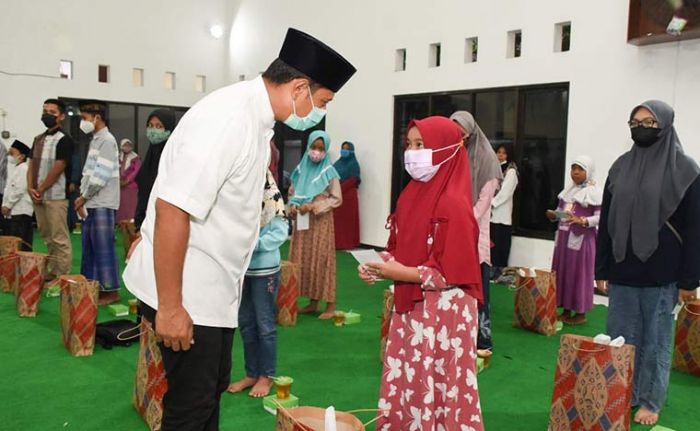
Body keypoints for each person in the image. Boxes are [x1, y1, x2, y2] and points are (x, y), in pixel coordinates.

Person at [123, 28, 355, 430]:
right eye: (322, 102)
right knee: (190, 411)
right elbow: (174, 207)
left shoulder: (257, 122)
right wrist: (172, 306)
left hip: (212, 293)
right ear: (299, 88)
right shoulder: (229, 118)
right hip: (188, 292)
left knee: (208, 393)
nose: (319, 112)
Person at [359, 116, 483, 431]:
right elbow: (403, 249)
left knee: (441, 387)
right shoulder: (411, 195)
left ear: (445, 149)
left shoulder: (454, 204)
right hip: (413, 308)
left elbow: (452, 273)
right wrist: (379, 264)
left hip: (446, 314)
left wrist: (397, 271)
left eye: (422, 145)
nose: (413, 153)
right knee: (410, 382)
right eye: (410, 145)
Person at [596, 100, 700, 426]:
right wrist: (602, 269)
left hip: (662, 274)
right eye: (635, 121)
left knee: (655, 343)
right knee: (621, 338)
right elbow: (607, 222)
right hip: (623, 269)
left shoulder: (686, 170)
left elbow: (696, 228)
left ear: (666, 126)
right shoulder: (619, 167)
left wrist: (689, 280)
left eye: (649, 122)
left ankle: (651, 401)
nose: (641, 127)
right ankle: (621, 394)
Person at [227, 171, 287, 398]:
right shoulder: (241, 202)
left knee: (265, 324)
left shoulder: (272, 199)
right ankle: (251, 373)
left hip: (265, 271)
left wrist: (251, 244)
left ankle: (266, 376)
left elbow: (280, 234)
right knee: (246, 323)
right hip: (242, 271)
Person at [450, 111, 502, 358]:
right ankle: (459, 336)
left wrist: (462, 220)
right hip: (453, 234)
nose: (459, 140)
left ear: (471, 133)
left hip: (474, 233)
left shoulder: (487, 161)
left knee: (478, 288)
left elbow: (483, 204)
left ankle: (483, 340)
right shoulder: (452, 155)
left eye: (462, 136)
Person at [289, 130, 342, 319]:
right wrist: (293, 206)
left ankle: (329, 305)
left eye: (321, 148)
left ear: (326, 150)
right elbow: (292, 193)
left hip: (320, 222)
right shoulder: (300, 170)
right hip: (303, 224)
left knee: (322, 259)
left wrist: (314, 205)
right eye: (314, 147)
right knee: (303, 259)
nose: (316, 151)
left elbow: (336, 199)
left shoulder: (329, 172)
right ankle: (312, 302)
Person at [547, 156, 602, 325]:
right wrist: (554, 215)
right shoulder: (568, 191)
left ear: (588, 171)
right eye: (573, 168)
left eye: (580, 169)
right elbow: (563, 211)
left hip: (582, 240)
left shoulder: (595, 192)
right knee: (563, 273)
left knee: (579, 275)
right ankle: (566, 309)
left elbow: (601, 217)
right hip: (564, 240)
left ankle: (580, 313)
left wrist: (584, 221)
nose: (575, 172)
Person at [75, 100, 121, 305]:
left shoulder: (107, 141)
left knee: (103, 247)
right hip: (92, 201)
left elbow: (101, 175)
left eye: (84, 118)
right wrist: (83, 196)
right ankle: (93, 286)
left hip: (102, 202)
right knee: (90, 246)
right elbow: (89, 173)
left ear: (97, 118)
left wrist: (83, 197)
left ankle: (111, 291)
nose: (82, 122)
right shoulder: (95, 140)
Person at [28, 98, 74, 283]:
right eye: (45, 111)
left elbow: (59, 166)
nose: (47, 115)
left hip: (56, 196)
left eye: (52, 112)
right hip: (38, 195)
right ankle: (53, 271)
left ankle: (62, 275)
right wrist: (30, 188)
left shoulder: (65, 139)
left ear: (61, 116)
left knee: (59, 237)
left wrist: (41, 188)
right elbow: (31, 164)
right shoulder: (38, 139)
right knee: (47, 236)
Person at [134, 109, 177, 230]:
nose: (153, 130)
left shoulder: (172, 157)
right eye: (150, 126)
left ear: (169, 129)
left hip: (164, 222)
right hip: (145, 221)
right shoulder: (150, 156)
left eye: (159, 126)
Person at [490, 144, 518, 280]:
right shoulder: (494, 168)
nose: (500, 155)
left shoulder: (511, 171)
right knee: (492, 243)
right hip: (490, 214)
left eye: (504, 153)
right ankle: (490, 269)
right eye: (498, 152)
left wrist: (491, 203)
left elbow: (505, 193)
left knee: (501, 243)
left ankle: (499, 271)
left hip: (501, 213)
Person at [2, 140, 33, 250]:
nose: (10, 156)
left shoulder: (24, 168)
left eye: (12, 153)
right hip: (15, 211)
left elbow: (20, 189)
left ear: (22, 156)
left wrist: (8, 205)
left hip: (22, 210)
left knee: (22, 243)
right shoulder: (17, 168)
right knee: (14, 244)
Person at [332, 141, 361, 250]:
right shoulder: (338, 163)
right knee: (337, 221)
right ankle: (336, 243)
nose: (344, 151)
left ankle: (346, 244)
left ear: (351, 151)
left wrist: (339, 188)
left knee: (347, 221)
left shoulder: (353, 164)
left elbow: (353, 179)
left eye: (347, 149)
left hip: (348, 196)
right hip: (337, 194)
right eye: (342, 148)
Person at [116, 138, 140, 222]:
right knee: (121, 207)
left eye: (129, 145)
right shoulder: (118, 157)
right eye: (125, 145)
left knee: (130, 207)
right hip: (119, 186)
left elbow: (136, 171)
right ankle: (120, 225)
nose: (127, 147)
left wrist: (127, 181)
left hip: (131, 186)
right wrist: (118, 181)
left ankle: (130, 224)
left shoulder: (135, 158)